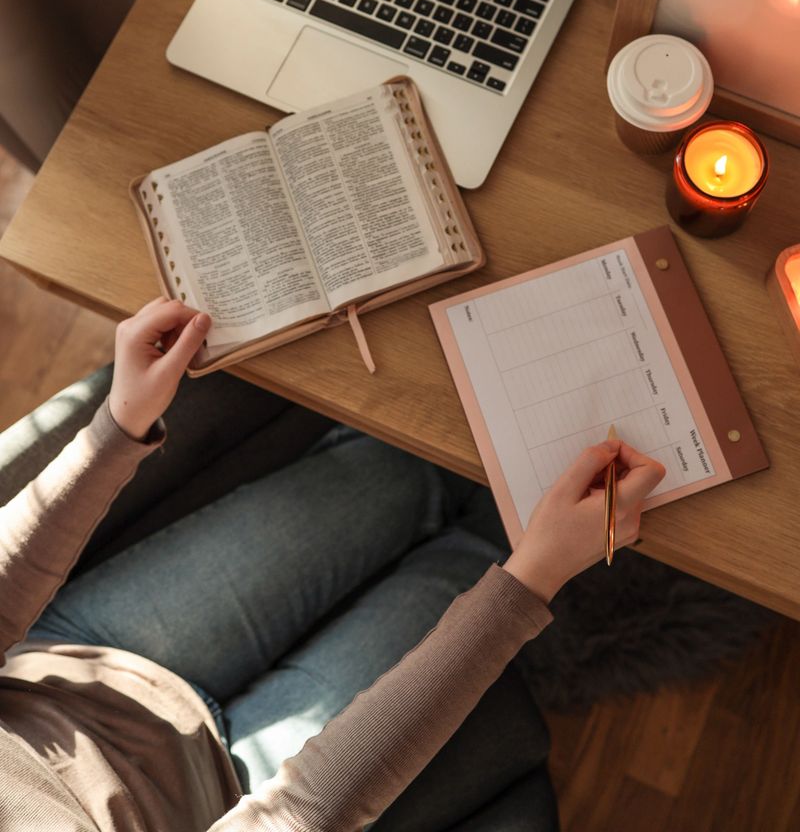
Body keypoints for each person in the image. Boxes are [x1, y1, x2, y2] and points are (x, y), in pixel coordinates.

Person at [0, 298, 666, 830]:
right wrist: (533, 578)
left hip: (92, 666)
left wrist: (119, 426)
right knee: (471, 564)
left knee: (391, 478)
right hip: (231, 797)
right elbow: (302, 813)